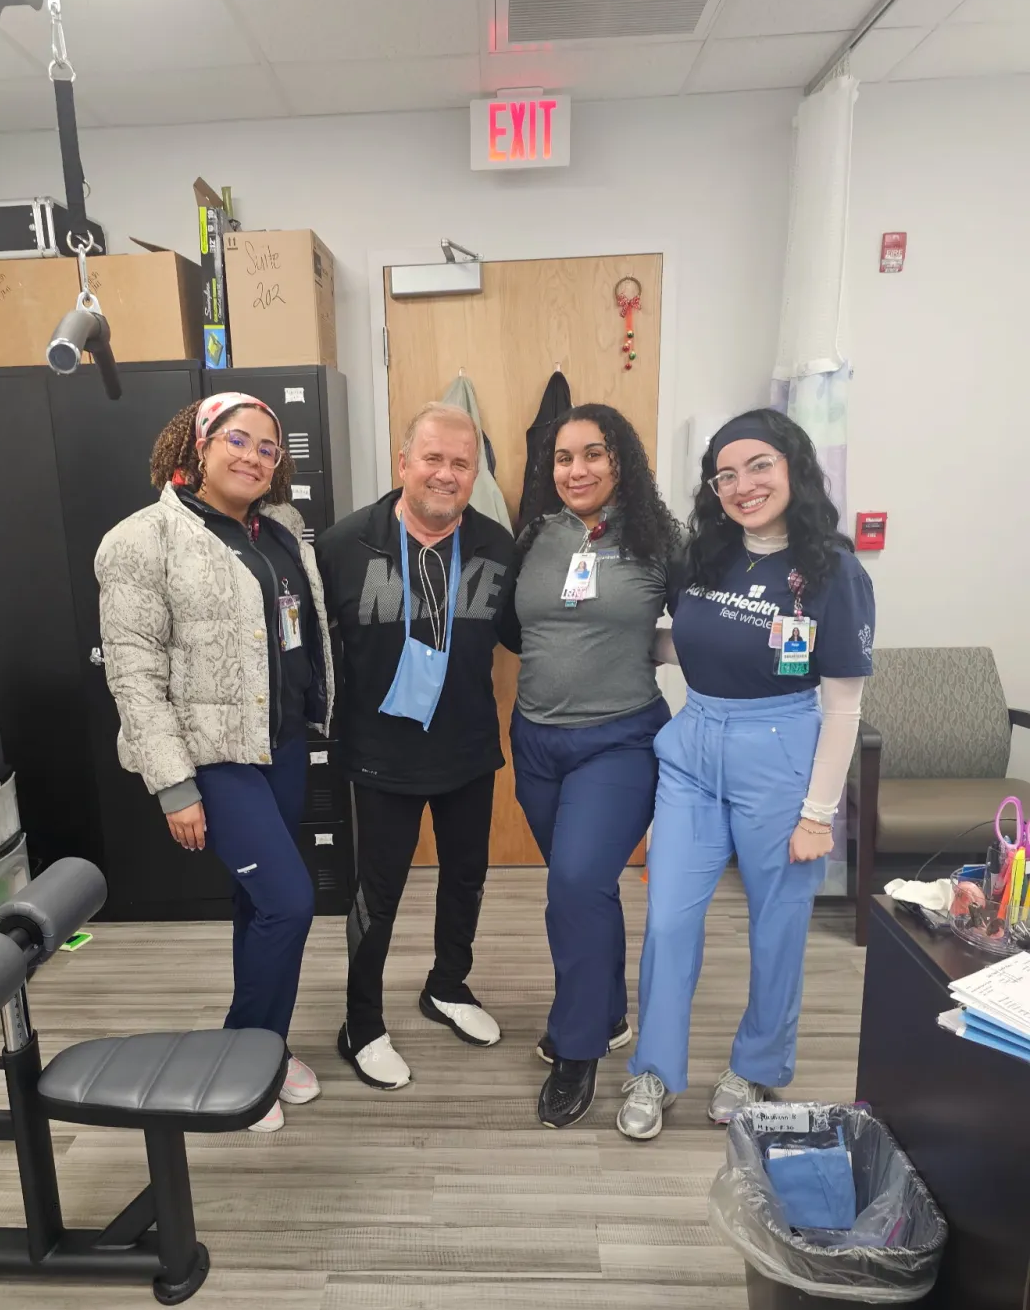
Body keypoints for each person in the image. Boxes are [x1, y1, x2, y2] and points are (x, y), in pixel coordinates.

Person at [618, 408, 875, 1141]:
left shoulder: (834, 571)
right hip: (696, 748)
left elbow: (844, 707)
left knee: (778, 927)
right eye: (725, 474)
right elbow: (685, 643)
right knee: (667, 920)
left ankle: (756, 1062)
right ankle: (656, 1070)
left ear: (793, 466)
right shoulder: (703, 556)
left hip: (783, 750)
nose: (742, 484)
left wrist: (817, 815)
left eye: (759, 465)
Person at [95, 392, 334, 1132]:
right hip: (213, 758)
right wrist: (174, 787)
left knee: (256, 903)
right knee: (290, 902)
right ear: (198, 446)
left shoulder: (282, 531)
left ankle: (256, 1042)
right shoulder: (142, 541)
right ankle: (248, 1062)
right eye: (238, 440)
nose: (254, 456)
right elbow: (133, 676)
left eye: (268, 448)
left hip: (282, 747)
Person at [315, 402, 517, 1090]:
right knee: (379, 893)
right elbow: (309, 651)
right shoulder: (344, 546)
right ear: (404, 464)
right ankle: (361, 1022)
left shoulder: (496, 545)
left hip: (466, 749)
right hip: (380, 757)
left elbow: (528, 632)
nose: (446, 473)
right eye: (432, 458)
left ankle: (447, 986)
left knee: (466, 880)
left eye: (462, 463)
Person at [499, 404, 685, 1129]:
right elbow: (520, 628)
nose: (576, 470)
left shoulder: (661, 539)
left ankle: (577, 1047)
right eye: (563, 458)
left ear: (621, 461)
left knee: (574, 881)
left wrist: (654, 649)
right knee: (585, 891)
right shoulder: (535, 537)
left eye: (593, 454)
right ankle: (608, 1014)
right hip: (537, 741)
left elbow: (702, 624)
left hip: (620, 741)